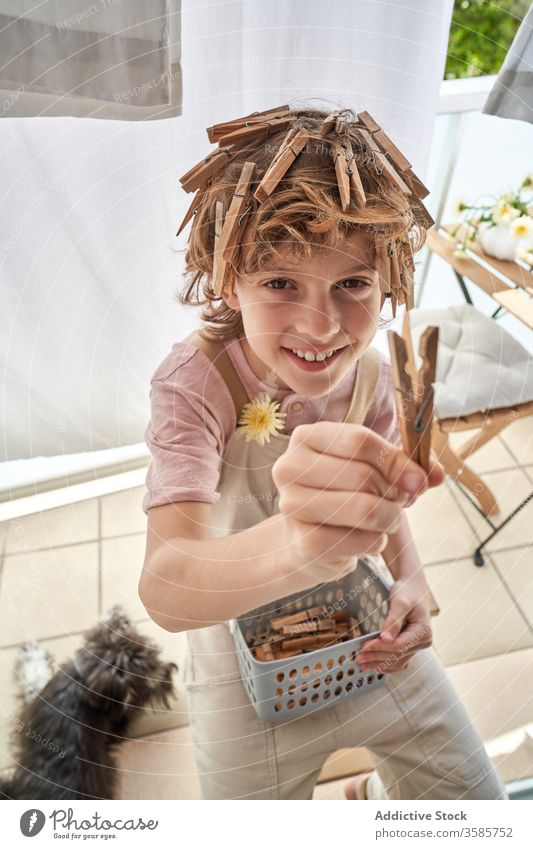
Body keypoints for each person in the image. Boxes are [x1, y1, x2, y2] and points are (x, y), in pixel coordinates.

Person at [138, 104, 507, 801]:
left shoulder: (368, 369)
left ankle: (369, 803)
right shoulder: (195, 383)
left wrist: (411, 580)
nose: (322, 326)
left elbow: (383, 500)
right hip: (236, 660)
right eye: (279, 283)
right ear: (227, 280)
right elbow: (166, 585)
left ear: (388, 278)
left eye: (352, 284)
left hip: (366, 634)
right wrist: (297, 543)